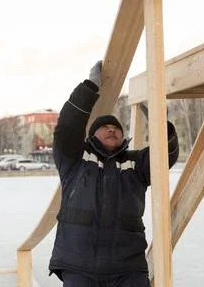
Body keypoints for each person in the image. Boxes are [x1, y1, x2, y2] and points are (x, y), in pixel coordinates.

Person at [49, 60, 179, 287]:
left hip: (128, 268)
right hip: (78, 265)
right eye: (104, 127)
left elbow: (165, 155)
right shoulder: (75, 158)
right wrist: (89, 88)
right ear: (91, 136)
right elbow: (67, 127)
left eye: (116, 128)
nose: (112, 129)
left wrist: (160, 124)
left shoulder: (136, 162)